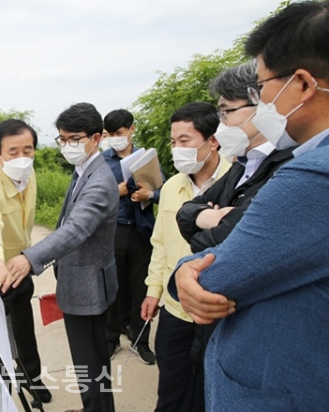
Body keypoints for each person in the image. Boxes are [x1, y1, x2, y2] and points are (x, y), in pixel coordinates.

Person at [169, 2, 329, 410]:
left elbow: (219, 274)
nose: (261, 102)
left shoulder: (311, 177)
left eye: (261, 88)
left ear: (304, 85)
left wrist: (186, 268)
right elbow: (193, 216)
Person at [174, 60, 295, 408]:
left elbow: (229, 243)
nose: (223, 123)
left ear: (263, 104)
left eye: (227, 112)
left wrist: (208, 224)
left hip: (248, 323)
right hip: (215, 321)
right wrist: (206, 219)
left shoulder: (287, 165)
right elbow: (186, 214)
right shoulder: (243, 165)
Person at [6, 102, 118, 412]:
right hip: (81, 279)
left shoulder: (99, 181)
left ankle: (96, 408)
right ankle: (94, 407)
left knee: (90, 362)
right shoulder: (84, 169)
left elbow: (75, 230)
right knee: (91, 362)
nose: (67, 145)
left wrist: (30, 258)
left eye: (75, 138)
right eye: (63, 138)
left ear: (96, 138)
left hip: (88, 286)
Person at [141, 102, 230, 412]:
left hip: (219, 312)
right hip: (176, 310)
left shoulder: (239, 181)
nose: (177, 149)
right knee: (171, 391)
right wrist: (154, 290)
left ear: (213, 140)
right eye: (173, 141)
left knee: (211, 392)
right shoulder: (171, 188)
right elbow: (161, 244)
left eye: (185, 141)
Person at [0, 119, 51, 403]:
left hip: (20, 265)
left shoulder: (29, 173)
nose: (21, 158)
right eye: (13, 152)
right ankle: (0, 390)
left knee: (24, 326)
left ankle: (32, 378)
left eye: (27, 150)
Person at [101, 109, 160, 364]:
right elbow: (92, 198)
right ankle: (111, 339)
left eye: (120, 133)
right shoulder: (102, 162)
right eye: (110, 134)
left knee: (140, 287)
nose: (115, 138)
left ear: (131, 129)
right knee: (113, 288)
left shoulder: (145, 159)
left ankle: (140, 341)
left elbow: (162, 189)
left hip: (140, 231)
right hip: (112, 230)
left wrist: (150, 196)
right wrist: (118, 192)